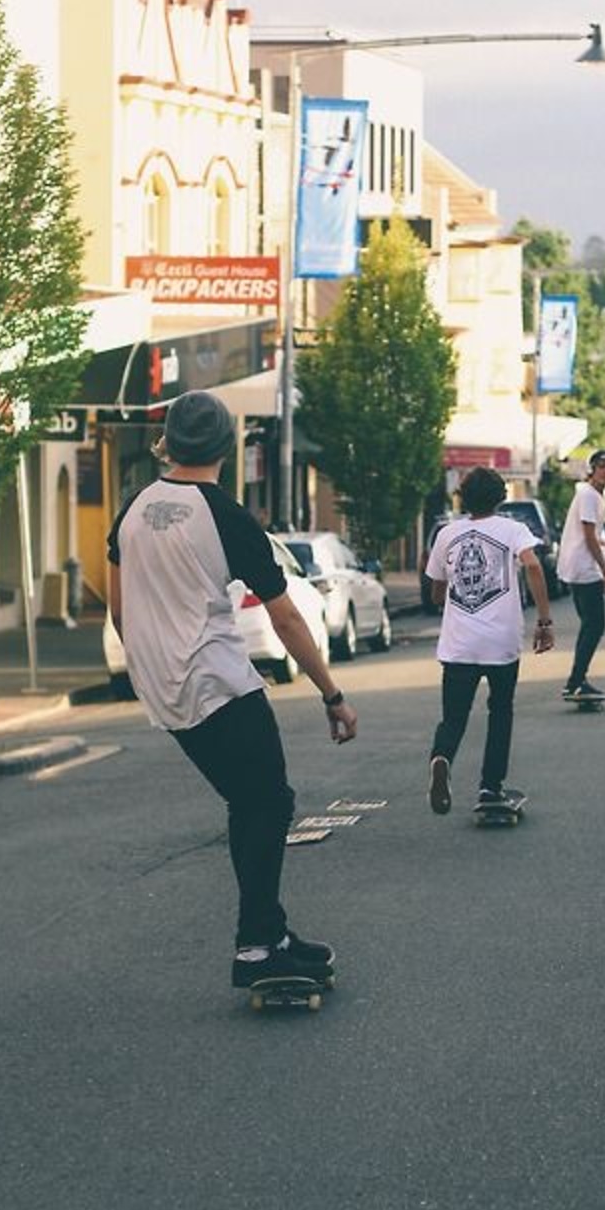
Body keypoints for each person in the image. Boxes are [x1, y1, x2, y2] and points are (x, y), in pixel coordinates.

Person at [106, 389, 357, 990]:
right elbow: (287, 617)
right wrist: (331, 693)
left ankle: (268, 932)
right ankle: (256, 946)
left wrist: (150, 662)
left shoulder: (133, 508)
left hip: (163, 687)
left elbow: (119, 607)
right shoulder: (225, 515)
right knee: (268, 802)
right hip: (217, 680)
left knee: (252, 801)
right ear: (228, 445)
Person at [424, 466, 554, 815]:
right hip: (501, 642)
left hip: (459, 645)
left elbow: (436, 592)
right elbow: (534, 566)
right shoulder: (514, 530)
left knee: (453, 717)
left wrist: (448, 591)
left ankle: (441, 757)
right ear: (501, 498)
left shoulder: (447, 534)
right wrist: (544, 620)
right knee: (500, 711)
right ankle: (490, 787)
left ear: (463, 498)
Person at [557, 448, 605, 702]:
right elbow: (588, 534)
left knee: (590, 626)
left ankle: (577, 681)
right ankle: (575, 681)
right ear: (591, 469)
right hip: (584, 569)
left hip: (577, 566)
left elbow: (590, 534)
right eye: (601, 465)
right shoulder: (590, 496)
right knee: (595, 625)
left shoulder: (590, 495)